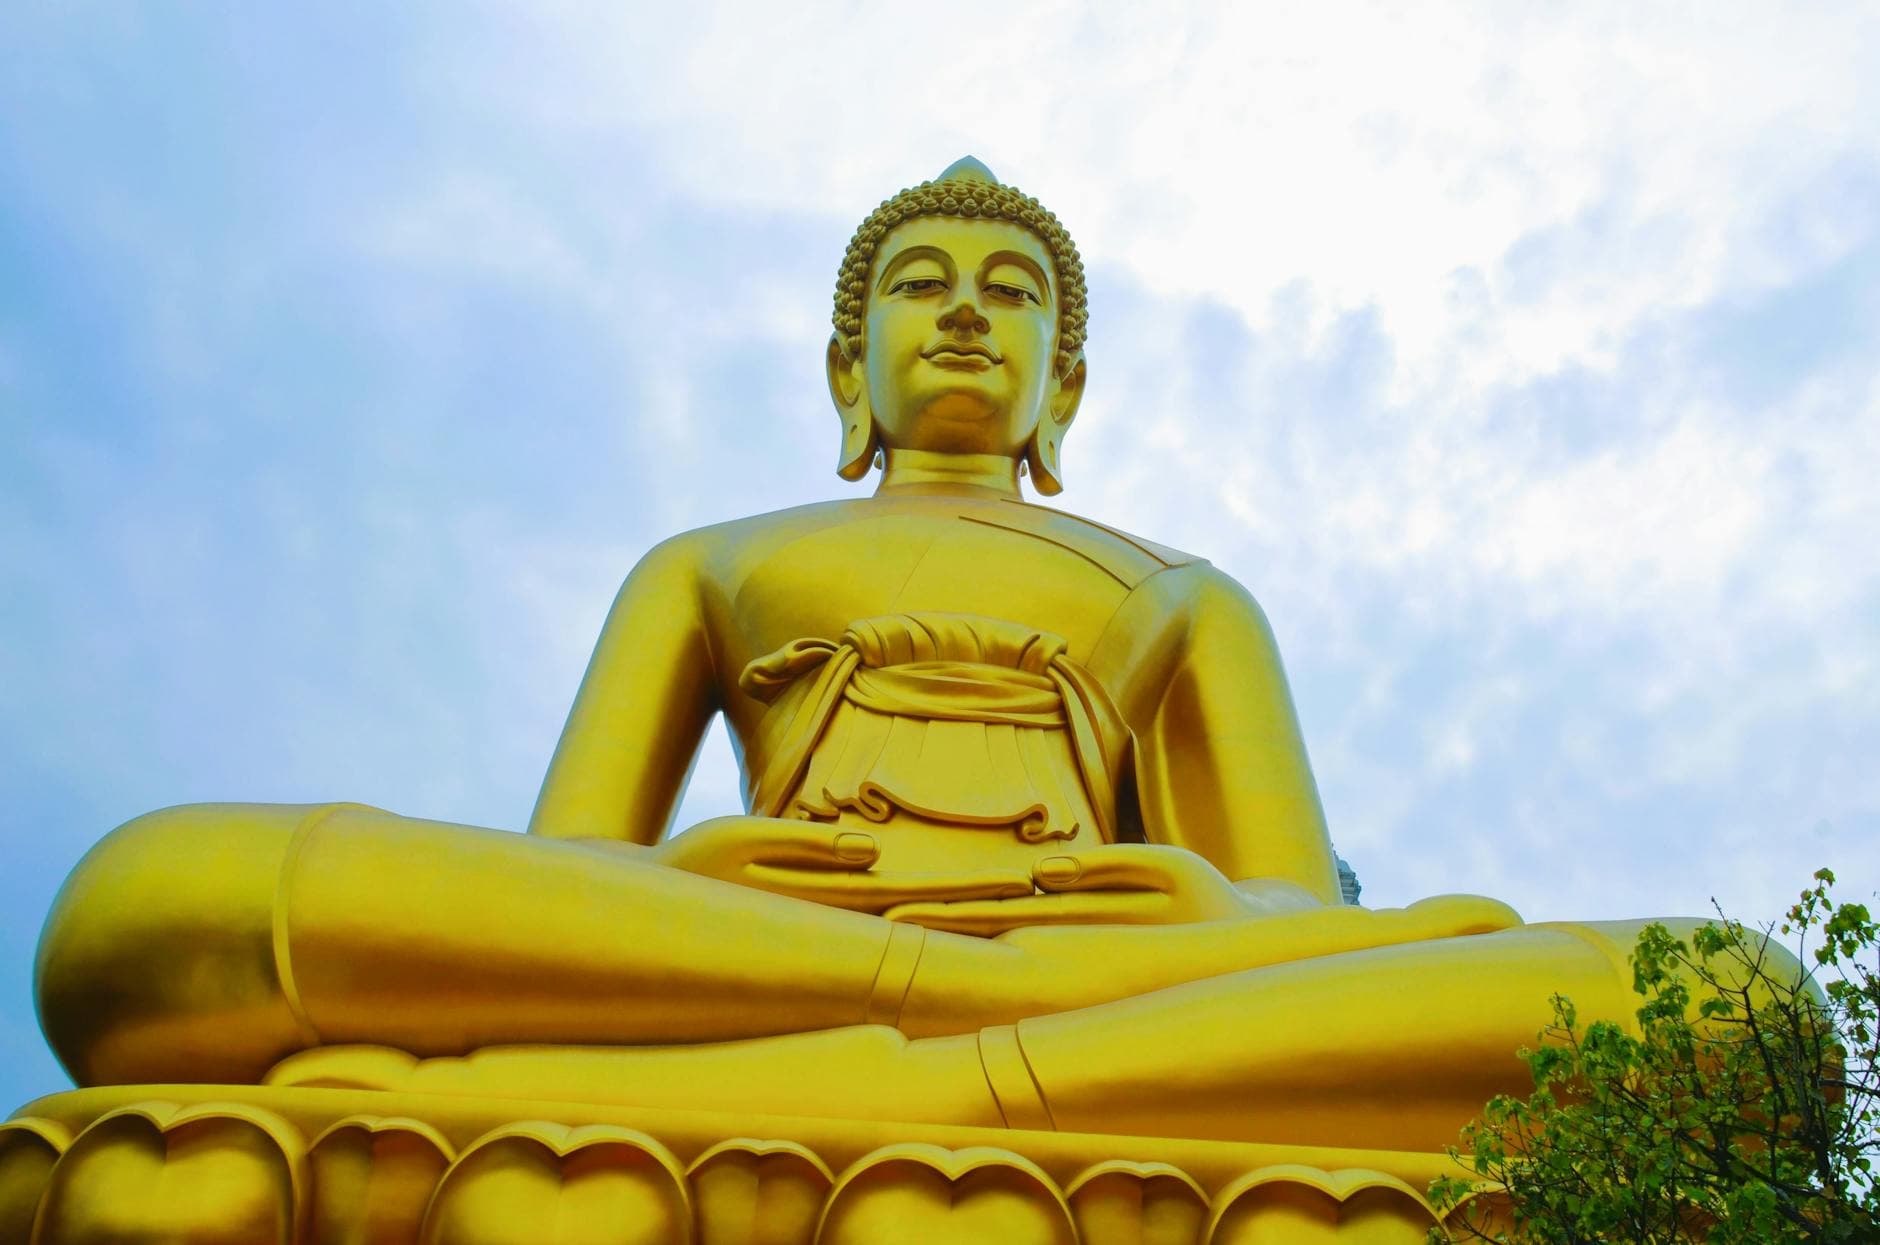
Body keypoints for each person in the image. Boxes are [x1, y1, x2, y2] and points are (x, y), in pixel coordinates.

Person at [33, 159, 1699, 1153]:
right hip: (753, 947)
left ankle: (954, 1064)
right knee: (148, 912)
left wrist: (1233, 915)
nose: (965, 313)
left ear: (1066, 389)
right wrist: (697, 885)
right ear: (852, 364)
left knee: (1709, 1012)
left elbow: (1298, 921)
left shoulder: (1188, 591)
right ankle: (983, 1047)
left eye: (1009, 293)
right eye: (920, 284)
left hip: (1122, 971)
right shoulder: (712, 563)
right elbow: (558, 886)